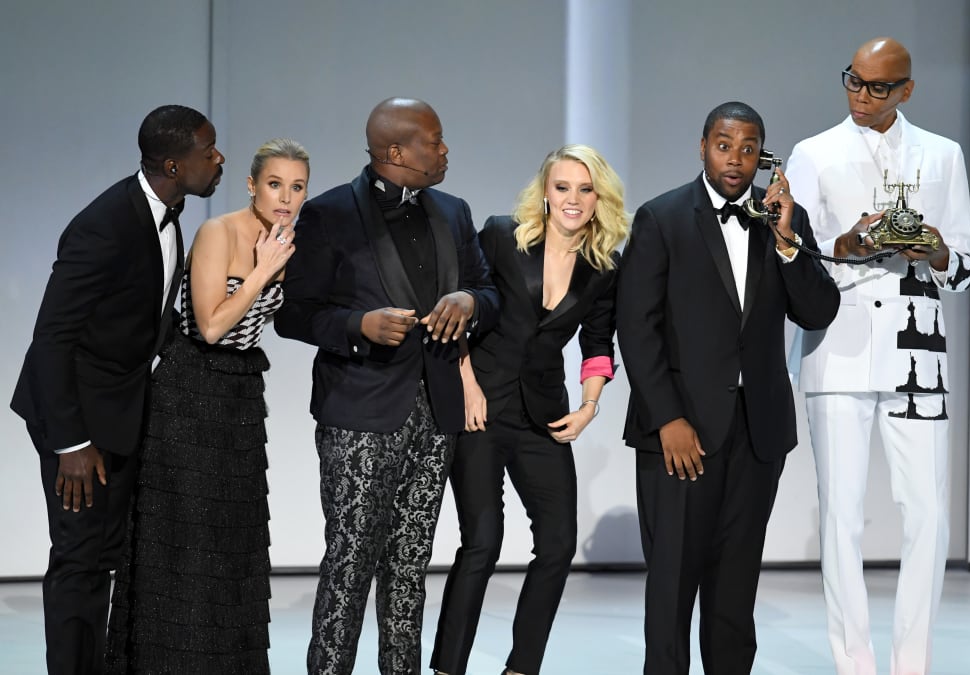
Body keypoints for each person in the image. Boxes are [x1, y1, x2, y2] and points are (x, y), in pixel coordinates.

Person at [274, 97, 500, 675]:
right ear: (396, 150)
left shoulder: (453, 211)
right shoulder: (329, 214)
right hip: (360, 411)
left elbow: (488, 291)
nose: (445, 150)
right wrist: (358, 326)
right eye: (435, 140)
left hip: (437, 412)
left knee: (409, 568)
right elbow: (293, 313)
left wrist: (469, 301)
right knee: (350, 563)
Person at [617, 101, 841, 674]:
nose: (735, 159)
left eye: (748, 148)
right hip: (680, 432)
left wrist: (787, 241)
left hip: (757, 433)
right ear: (703, 148)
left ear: (762, 155)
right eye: (724, 146)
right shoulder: (662, 217)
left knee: (736, 590)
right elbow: (637, 329)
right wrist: (667, 419)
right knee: (672, 586)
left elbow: (818, 310)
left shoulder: (781, 219)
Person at [9, 105, 224, 675]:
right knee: (80, 559)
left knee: (104, 555)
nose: (219, 158)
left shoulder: (166, 215)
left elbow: (145, 320)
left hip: (117, 410)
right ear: (174, 165)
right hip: (77, 419)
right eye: (209, 151)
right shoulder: (104, 224)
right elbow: (52, 339)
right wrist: (72, 444)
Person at [785, 37, 970, 675]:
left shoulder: (943, 156)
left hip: (918, 350)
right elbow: (795, 257)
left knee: (928, 515)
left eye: (876, 86)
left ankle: (912, 663)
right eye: (853, 80)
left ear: (906, 90)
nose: (860, 95)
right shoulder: (813, 153)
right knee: (841, 517)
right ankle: (855, 664)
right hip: (837, 348)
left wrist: (937, 251)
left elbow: (966, 266)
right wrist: (849, 243)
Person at [104, 138, 308, 673]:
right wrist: (262, 270)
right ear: (252, 185)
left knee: (234, 541)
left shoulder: (289, 240)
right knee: (184, 540)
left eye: (297, 187)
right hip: (189, 392)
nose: (286, 197)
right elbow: (212, 326)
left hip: (242, 395)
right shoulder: (218, 231)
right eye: (275, 184)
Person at [430, 144, 631, 675]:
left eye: (585, 189)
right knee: (482, 544)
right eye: (562, 187)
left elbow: (598, 341)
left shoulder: (604, 266)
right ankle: (447, 668)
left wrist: (589, 405)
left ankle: (521, 668)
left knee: (559, 545)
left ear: (599, 198)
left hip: (544, 415)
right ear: (545, 191)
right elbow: (462, 305)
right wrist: (466, 383)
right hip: (482, 407)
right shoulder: (502, 234)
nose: (572, 199)